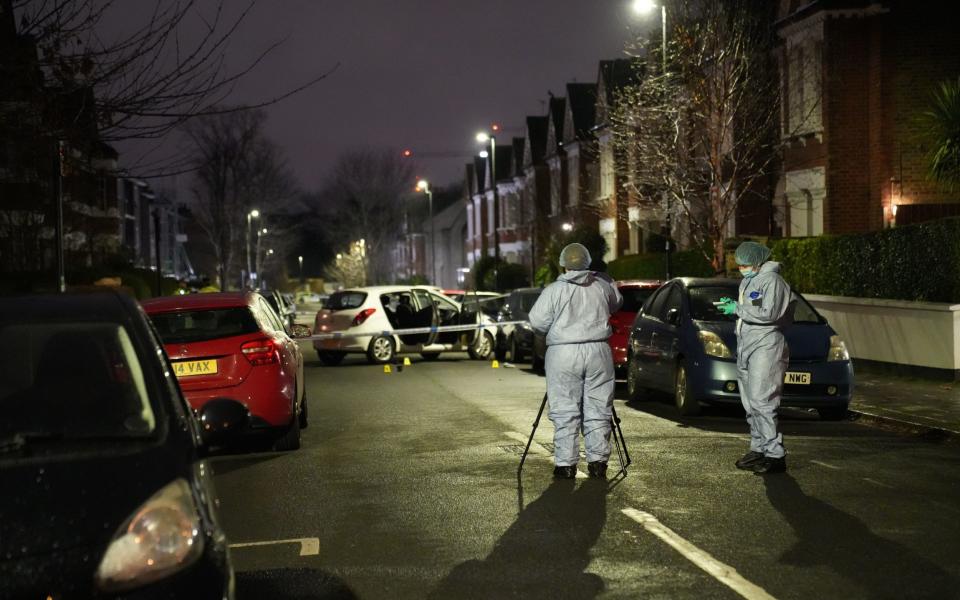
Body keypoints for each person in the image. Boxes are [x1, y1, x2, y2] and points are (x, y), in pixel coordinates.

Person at [528, 243, 623, 479]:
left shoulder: (553, 290)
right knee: (599, 406)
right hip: (598, 350)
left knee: (565, 408)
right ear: (588, 262)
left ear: (563, 265)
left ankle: (566, 464)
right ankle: (598, 461)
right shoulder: (601, 285)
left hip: (563, 352)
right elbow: (617, 301)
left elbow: (537, 322)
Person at [717, 241, 793, 474]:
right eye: (739, 265)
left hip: (766, 345)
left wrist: (738, 309)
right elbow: (754, 310)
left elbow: (769, 313)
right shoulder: (750, 280)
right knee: (750, 404)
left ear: (759, 263)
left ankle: (774, 453)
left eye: (746, 264)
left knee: (763, 401)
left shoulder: (773, 282)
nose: (742, 268)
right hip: (748, 345)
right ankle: (758, 448)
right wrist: (736, 309)